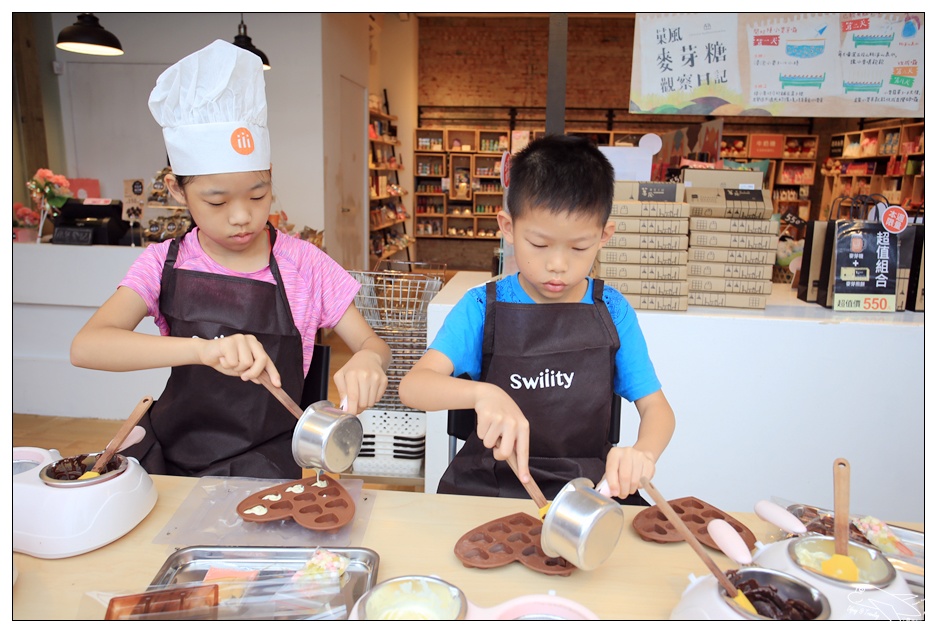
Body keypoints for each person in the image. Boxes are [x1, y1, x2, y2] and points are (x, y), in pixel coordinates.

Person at [70, 40, 390, 479]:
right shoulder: (163, 263)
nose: (242, 217)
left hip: (264, 460)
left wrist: (370, 360)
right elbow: (87, 347)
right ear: (177, 189)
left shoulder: (306, 264)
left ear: (270, 176)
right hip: (172, 458)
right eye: (217, 201)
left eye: (258, 194)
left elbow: (373, 344)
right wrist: (203, 351)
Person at [399, 134, 675, 503]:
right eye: (539, 245)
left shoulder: (612, 309)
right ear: (508, 227)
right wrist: (482, 393)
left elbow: (656, 408)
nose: (557, 265)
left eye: (579, 248)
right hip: (490, 486)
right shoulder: (482, 306)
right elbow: (413, 387)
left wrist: (643, 454)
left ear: (604, 236)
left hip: (586, 491)